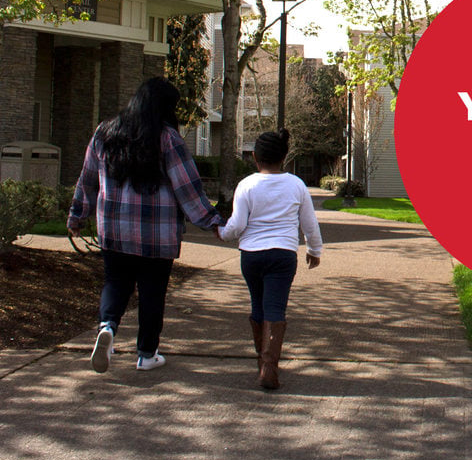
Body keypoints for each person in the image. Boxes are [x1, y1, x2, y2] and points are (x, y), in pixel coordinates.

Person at [68, 77, 223, 373]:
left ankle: (108, 328)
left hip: (113, 230)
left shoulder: (105, 132)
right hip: (157, 235)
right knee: (153, 292)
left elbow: (87, 180)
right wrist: (212, 221)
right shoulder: (167, 139)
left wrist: (77, 216)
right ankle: (146, 354)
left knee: (115, 283)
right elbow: (187, 189)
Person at [217, 129, 322, 390]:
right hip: (283, 254)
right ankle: (269, 367)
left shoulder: (247, 185)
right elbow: (309, 224)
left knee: (258, 306)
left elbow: (238, 224)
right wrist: (314, 250)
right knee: (275, 308)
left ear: (254, 157)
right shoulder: (296, 185)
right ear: (284, 157)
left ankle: (261, 362)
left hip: (251, 255)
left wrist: (222, 233)